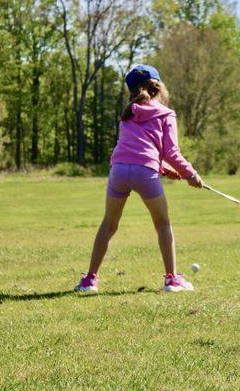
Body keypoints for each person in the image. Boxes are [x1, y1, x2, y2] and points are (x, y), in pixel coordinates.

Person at [74, 64, 203, 293]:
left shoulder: (128, 113)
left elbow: (138, 148)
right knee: (162, 223)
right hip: (145, 173)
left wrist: (162, 167)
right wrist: (190, 174)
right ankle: (172, 279)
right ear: (159, 87)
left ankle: (89, 281)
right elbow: (171, 152)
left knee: (109, 224)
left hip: (119, 171)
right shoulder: (166, 114)